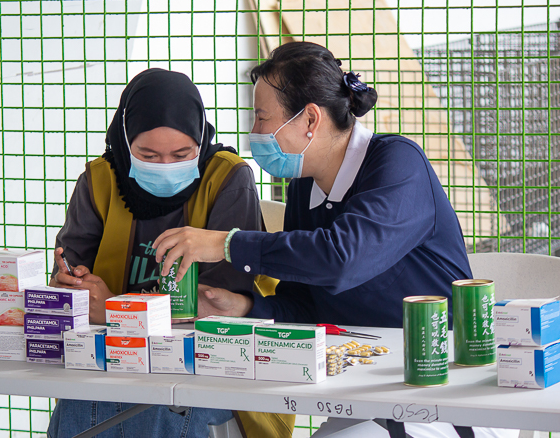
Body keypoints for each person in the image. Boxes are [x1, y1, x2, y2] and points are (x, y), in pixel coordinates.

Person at [153, 42, 518, 438]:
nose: (254, 133)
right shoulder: (303, 191)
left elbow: (341, 260)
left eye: (261, 117)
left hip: (446, 392)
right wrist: (244, 306)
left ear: (310, 118)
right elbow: (306, 304)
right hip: (365, 389)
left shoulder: (398, 163)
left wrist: (226, 244)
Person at [46, 68, 263, 438]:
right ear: (126, 141)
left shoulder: (226, 178)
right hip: (111, 354)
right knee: (81, 401)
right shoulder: (101, 180)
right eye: (147, 154)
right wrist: (69, 287)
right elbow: (69, 278)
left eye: (182, 154)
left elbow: (213, 307)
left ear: (201, 139)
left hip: (207, 362)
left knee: (157, 403)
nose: (166, 167)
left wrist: (114, 307)